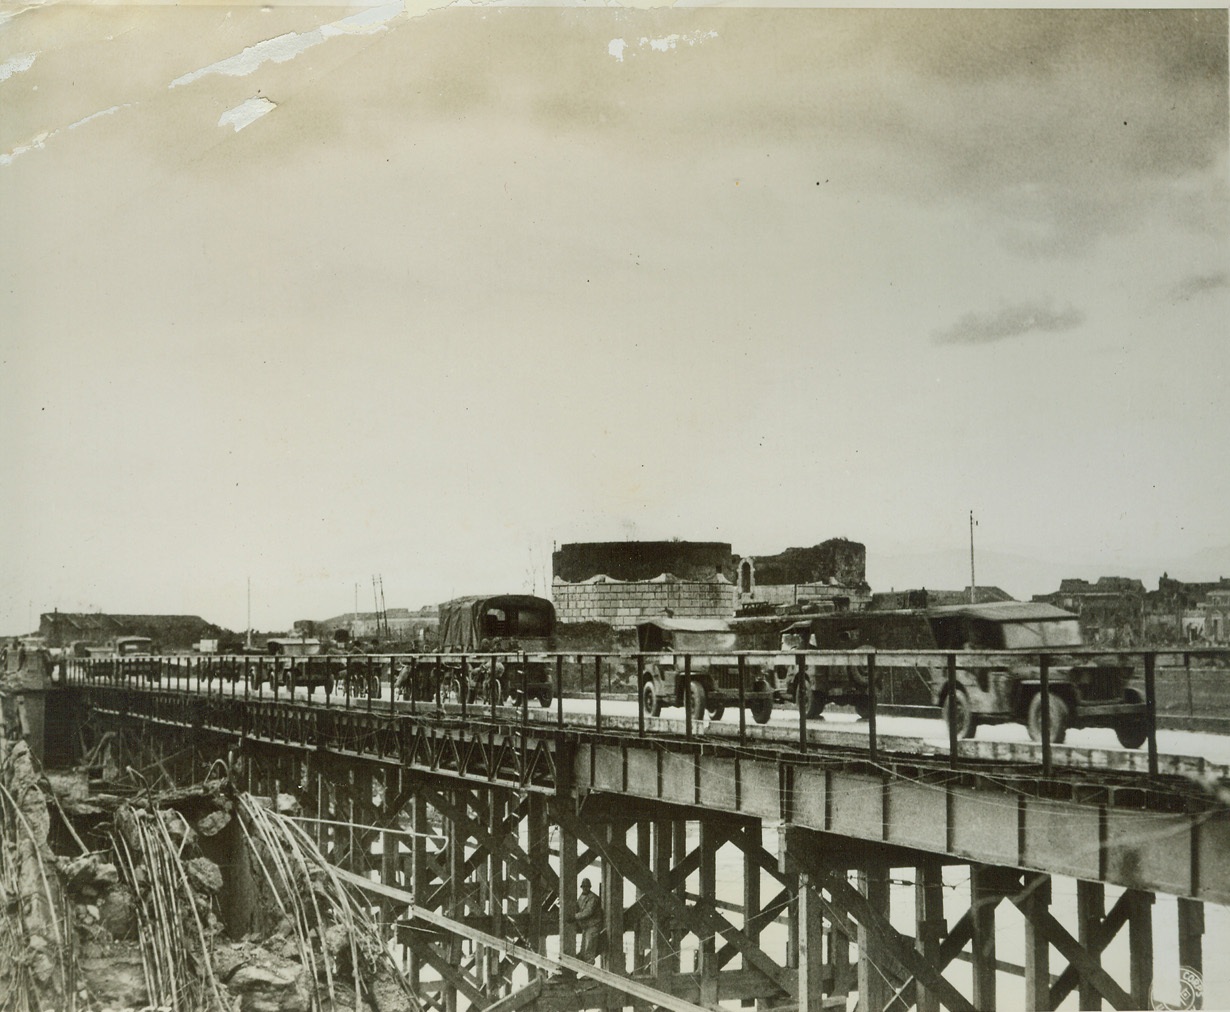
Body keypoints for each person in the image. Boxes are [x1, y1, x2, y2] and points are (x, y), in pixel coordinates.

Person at [574, 878, 603, 963]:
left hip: (593, 926)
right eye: (583, 887)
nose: (585, 888)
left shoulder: (593, 898)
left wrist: (574, 916)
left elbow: (588, 912)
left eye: (587, 887)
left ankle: (590, 972)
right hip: (586, 927)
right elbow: (578, 906)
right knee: (583, 950)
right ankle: (587, 972)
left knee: (589, 949)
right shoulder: (582, 897)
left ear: (590, 887)